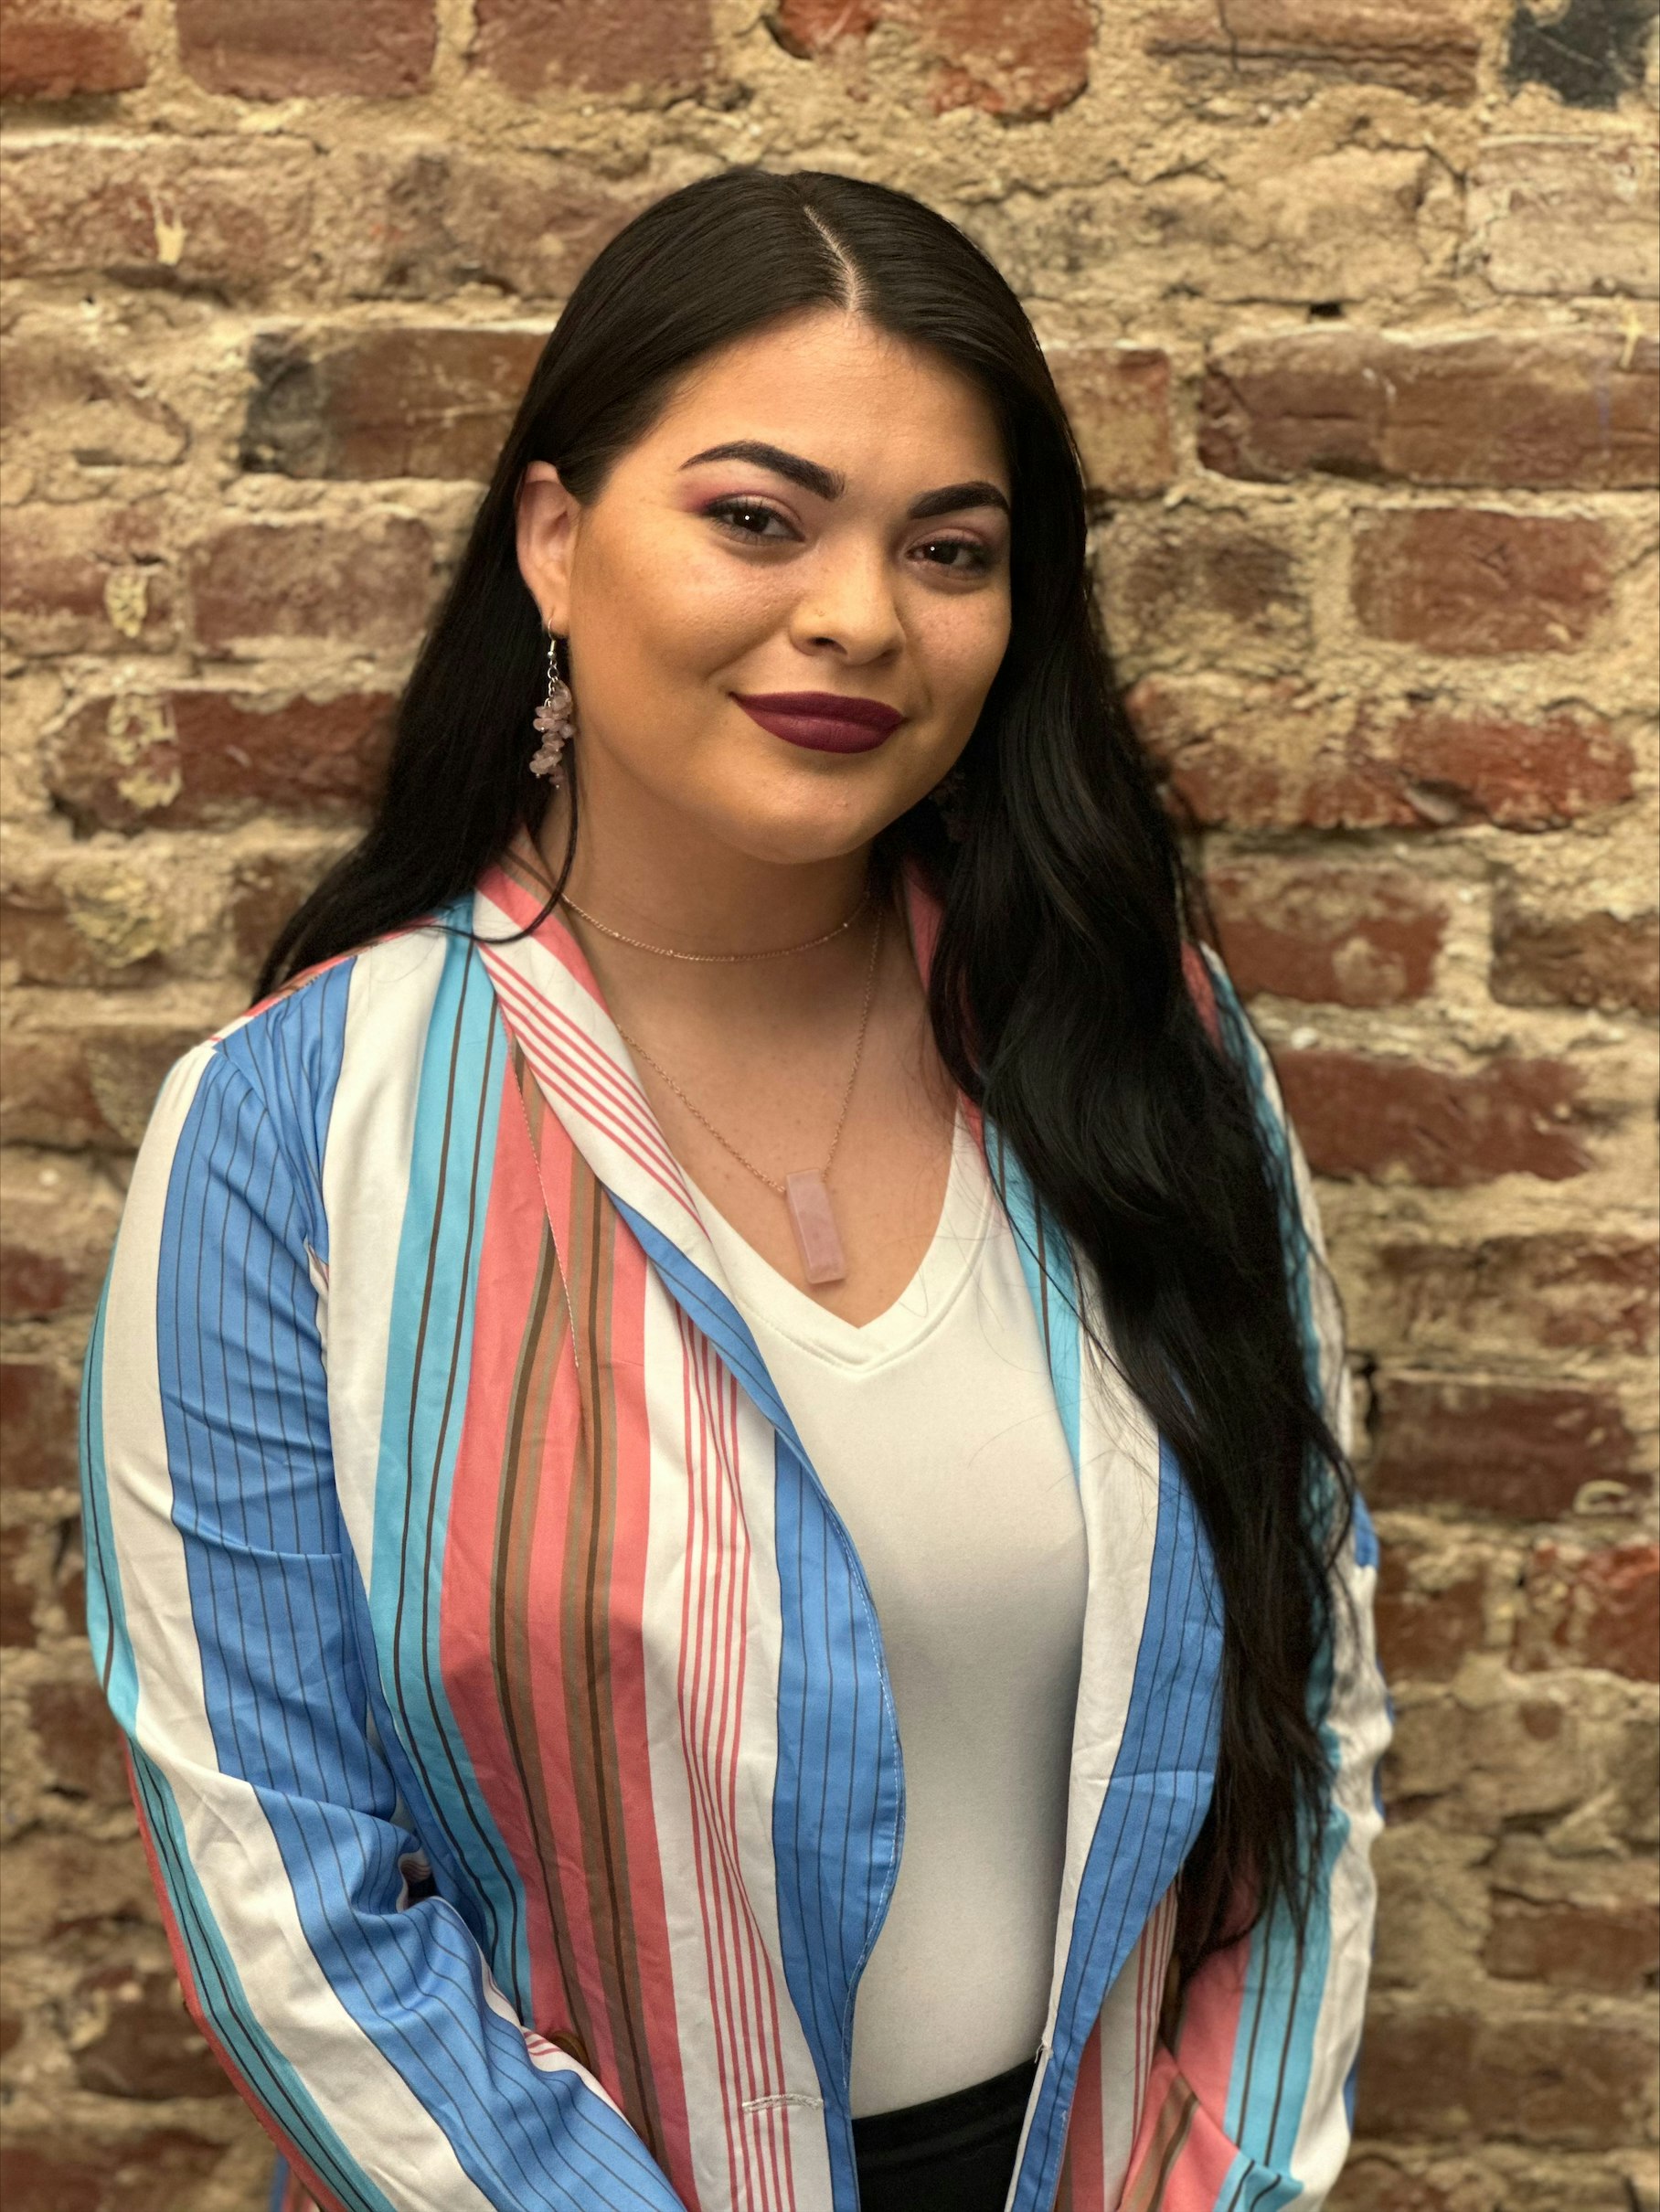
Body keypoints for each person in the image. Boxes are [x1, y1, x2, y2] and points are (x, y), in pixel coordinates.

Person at [79, 168, 1391, 2212]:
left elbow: (1308, 1698)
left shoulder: (1147, 1052)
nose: (860, 614)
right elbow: (284, 1885)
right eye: (759, 519)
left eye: (947, 549)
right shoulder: (296, 1133)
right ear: (552, 536)